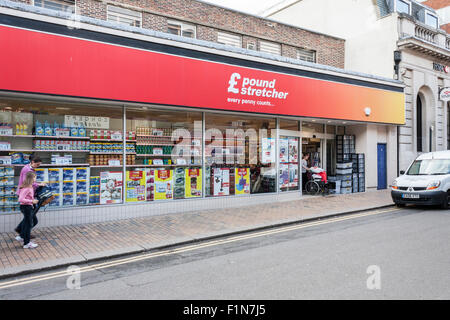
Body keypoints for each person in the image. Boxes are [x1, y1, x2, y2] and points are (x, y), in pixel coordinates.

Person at [14, 155, 46, 239]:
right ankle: (23, 234)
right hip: (26, 196)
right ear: (32, 162)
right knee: (31, 218)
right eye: (37, 165)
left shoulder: (29, 168)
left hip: (28, 196)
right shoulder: (27, 169)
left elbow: (30, 181)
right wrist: (39, 184)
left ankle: (21, 231)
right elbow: (27, 182)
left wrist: (38, 183)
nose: (38, 166)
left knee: (30, 217)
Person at [17, 171, 39, 249]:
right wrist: (31, 201)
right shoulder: (27, 188)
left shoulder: (29, 186)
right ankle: (26, 243)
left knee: (29, 223)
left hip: (27, 207)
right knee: (28, 225)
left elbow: (28, 197)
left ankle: (22, 237)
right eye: (35, 177)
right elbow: (21, 199)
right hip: (26, 207)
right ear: (32, 178)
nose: (36, 179)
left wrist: (32, 200)